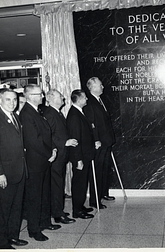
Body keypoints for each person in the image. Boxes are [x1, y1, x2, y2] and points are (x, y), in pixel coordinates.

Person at [19, 84, 61, 242]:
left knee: (44, 193)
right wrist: (49, 153)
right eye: (39, 94)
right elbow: (33, 141)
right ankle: (34, 229)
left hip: (44, 160)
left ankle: (44, 222)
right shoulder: (26, 114)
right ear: (30, 96)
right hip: (36, 163)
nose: (43, 97)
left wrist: (54, 149)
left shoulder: (37, 111)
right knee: (35, 197)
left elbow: (46, 135)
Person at [0, 88, 28, 249]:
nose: (12, 103)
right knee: (3, 210)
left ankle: (13, 236)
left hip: (19, 171)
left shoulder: (15, 117)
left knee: (16, 206)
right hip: (5, 173)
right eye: (8, 99)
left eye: (14, 99)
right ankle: (2, 242)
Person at [43, 89, 77, 224]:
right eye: (59, 96)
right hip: (55, 156)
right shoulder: (49, 114)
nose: (63, 97)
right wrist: (65, 142)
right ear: (50, 99)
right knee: (56, 185)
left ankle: (57, 209)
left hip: (61, 155)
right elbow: (48, 136)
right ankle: (58, 214)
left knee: (59, 184)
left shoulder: (57, 113)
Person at [84, 77, 116, 209]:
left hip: (106, 141)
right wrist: (96, 140)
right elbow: (91, 124)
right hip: (99, 143)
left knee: (105, 168)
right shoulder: (89, 102)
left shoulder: (100, 100)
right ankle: (94, 199)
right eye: (100, 85)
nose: (103, 87)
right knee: (97, 170)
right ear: (92, 87)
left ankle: (103, 193)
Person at [66, 89, 96, 219]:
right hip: (80, 157)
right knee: (79, 183)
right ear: (78, 99)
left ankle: (80, 206)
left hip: (85, 155)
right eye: (84, 97)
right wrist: (78, 159)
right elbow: (75, 139)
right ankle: (77, 211)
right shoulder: (74, 115)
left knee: (83, 183)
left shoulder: (79, 112)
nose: (87, 99)